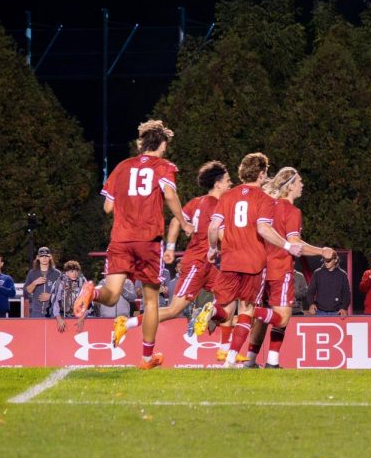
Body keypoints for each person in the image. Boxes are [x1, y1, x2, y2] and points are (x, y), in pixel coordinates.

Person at [74, 120, 192, 370]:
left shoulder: (122, 167)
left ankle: (91, 293)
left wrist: (129, 205)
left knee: (111, 294)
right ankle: (147, 358)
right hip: (147, 240)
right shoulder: (164, 166)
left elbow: (107, 207)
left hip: (120, 239)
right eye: (164, 146)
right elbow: (170, 195)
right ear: (160, 144)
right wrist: (184, 222)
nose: (165, 151)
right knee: (151, 302)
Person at [111, 160, 232, 349]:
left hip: (206, 264)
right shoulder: (217, 205)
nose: (230, 184)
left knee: (229, 296)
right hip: (197, 264)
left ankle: (224, 349)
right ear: (217, 183)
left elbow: (177, 222)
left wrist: (170, 248)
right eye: (227, 180)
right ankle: (126, 324)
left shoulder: (196, 202)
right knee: (175, 309)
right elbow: (220, 234)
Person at [205, 153, 306, 368]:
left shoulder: (227, 197)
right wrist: (288, 246)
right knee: (246, 311)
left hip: (229, 261)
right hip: (253, 263)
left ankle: (212, 312)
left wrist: (213, 249)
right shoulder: (265, 200)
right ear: (261, 174)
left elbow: (213, 227)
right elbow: (263, 228)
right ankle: (231, 359)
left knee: (226, 310)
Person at [242, 166, 333, 369]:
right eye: (299, 181)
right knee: (282, 317)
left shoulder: (267, 205)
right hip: (280, 268)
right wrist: (322, 251)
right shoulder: (291, 211)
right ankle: (247, 316)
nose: (302, 185)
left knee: (266, 316)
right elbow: (295, 244)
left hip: (259, 268)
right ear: (290, 185)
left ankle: (250, 360)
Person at [23, 247, 62, 319]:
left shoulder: (57, 274)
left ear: (50, 257)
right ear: (38, 257)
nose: (44, 258)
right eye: (42, 256)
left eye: (46, 256)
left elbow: (63, 293)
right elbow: (26, 292)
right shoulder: (32, 273)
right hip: (36, 312)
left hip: (52, 312)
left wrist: (51, 296)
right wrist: (34, 283)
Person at [49, 260, 88, 332]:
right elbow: (55, 302)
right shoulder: (59, 283)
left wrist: (82, 318)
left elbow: (87, 302)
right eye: (72, 271)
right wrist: (59, 319)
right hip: (63, 315)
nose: (74, 274)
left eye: (76, 271)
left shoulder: (83, 282)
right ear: (66, 273)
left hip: (79, 315)